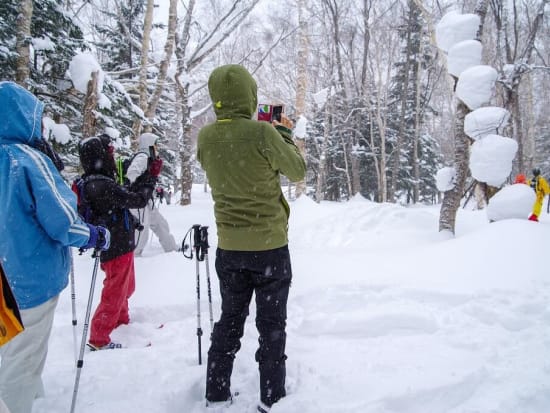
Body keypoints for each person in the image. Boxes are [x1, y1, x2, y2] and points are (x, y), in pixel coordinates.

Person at [197, 64, 306, 413]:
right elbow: (297, 170)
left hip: (229, 249)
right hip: (270, 247)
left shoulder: (206, 137)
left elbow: (218, 161)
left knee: (230, 320)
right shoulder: (263, 134)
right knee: (271, 324)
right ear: (250, 95)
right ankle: (271, 397)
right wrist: (281, 133)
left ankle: (216, 392)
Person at [0, 81, 110, 413]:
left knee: (9, 346)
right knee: (22, 356)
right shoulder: (25, 160)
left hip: (6, 273)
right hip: (28, 277)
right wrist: (92, 235)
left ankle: (33, 399)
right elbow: (62, 220)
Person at [78, 134, 158, 350]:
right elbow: (137, 200)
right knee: (115, 291)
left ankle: (121, 321)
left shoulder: (93, 181)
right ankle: (99, 337)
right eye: (109, 153)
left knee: (125, 287)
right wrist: (150, 179)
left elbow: (125, 198)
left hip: (118, 243)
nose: (112, 157)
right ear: (101, 157)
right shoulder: (101, 184)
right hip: (116, 246)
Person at [125, 132, 178, 255]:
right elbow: (131, 173)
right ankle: (134, 254)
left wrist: (149, 184)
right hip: (138, 201)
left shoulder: (148, 157)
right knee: (141, 230)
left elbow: (146, 177)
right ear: (148, 144)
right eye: (155, 144)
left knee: (160, 224)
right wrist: (139, 189)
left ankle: (171, 248)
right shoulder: (142, 157)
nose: (157, 147)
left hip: (146, 199)